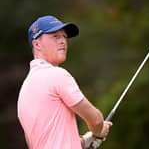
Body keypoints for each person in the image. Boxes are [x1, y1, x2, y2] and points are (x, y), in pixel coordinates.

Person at [17, 15, 112, 149]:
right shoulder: (57, 75)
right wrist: (99, 131)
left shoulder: (24, 90)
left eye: (64, 37)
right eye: (55, 36)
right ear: (37, 44)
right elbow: (96, 121)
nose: (63, 41)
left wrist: (86, 139)